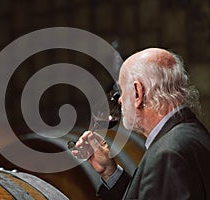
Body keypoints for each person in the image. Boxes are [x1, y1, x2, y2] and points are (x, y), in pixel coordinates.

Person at [72, 48, 210, 199]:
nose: (119, 100)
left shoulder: (167, 154)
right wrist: (109, 172)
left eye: (121, 91)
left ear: (138, 92)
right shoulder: (191, 131)